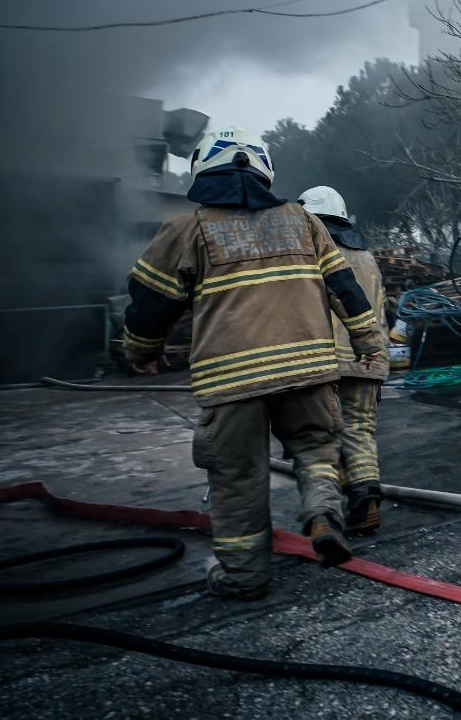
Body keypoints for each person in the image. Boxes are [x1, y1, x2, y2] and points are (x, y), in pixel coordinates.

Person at [124, 128, 387, 599]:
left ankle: (245, 577)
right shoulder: (305, 222)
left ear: (203, 169)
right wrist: (369, 339)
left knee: (238, 476)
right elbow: (345, 288)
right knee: (315, 449)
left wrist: (141, 350)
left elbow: (149, 301)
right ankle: (324, 514)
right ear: (263, 169)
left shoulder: (188, 229)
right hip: (307, 368)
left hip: (232, 381)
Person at [298, 186, 389, 536]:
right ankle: (365, 502)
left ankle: (326, 514)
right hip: (368, 359)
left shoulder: (312, 252)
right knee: (360, 430)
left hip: (325, 360)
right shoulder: (366, 256)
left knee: (322, 436)